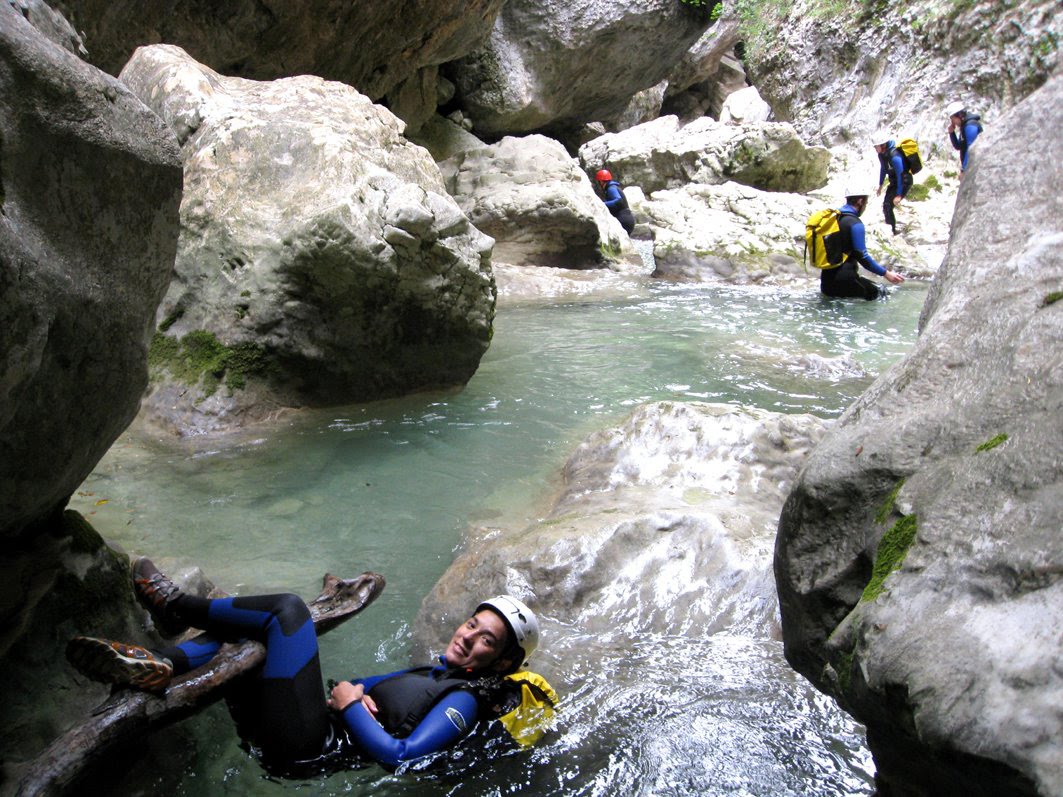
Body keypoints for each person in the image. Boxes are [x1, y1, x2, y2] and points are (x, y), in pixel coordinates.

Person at [66, 557, 544, 773]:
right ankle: (162, 664)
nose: (469, 637)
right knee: (248, 628)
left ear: (501, 663)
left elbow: (405, 757)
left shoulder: (463, 699)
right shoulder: (434, 673)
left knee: (288, 611)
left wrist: (355, 708)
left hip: (307, 747)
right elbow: (352, 684)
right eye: (472, 625)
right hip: (303, 726)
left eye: (487, 641)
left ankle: (175, 607)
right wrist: (357, 697)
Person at [819, 186, 906, 300]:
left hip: (826, 284)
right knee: (882, 293)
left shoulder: (833, 219)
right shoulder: (855, 223)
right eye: (866, 202)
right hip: (846, 283)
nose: (865, 206)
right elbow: (862, 256)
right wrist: (886, 273)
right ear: (860, 201)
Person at [872, 129, 912, 235]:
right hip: (894, 182)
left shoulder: (895, 156)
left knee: (888, 205)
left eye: (876, 146)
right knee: (886, 205)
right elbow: (883, 169)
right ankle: (892, 229)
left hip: (904, 181)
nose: (875, 148)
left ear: (883, 145)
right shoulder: (882, 155)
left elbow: (901, 175)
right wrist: (880, 184)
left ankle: (892, 231)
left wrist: (899, 194)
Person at [945, 101, 983, 175]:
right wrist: (952, 133)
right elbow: (959, 146)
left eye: (952, 119)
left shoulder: (970, 126)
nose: (953, 122)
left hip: (976, 167)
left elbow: (971, 149)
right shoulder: (965, 126)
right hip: (972, 167)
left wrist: (963, 170)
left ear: (959, 116)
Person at [594, 169, 636, 234]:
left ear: (601, 181)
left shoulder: (611, 188)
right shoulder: (614, 187)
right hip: (627, 219)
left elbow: (618, 201)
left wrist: (602, 204)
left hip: (623, 219)